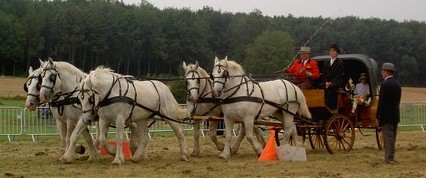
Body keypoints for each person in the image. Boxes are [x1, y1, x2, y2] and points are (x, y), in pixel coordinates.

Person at [377, 62, 401, 164]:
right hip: (395, 114)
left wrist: (378, 114)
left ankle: (388, 158)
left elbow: (382, 101)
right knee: (393, 137)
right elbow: (398, 100)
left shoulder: (385, 84)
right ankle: (391, 157)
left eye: (383, 71)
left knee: (388, 138)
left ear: (386, 72)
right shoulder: (397, 84)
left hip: (386, 116)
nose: (382, 73)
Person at [323, 44, 344, 110]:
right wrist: (326, 82)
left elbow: (339, 75)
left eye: (333, 51)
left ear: (337, 53)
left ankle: (332, 107)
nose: (331, 52)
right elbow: (324, 74)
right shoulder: (326, 62)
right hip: (327, 82)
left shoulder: (340, 62)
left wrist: (331, 82)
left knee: (332, 88)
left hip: (336, 81)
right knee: (319, 87)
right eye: (330, 51)